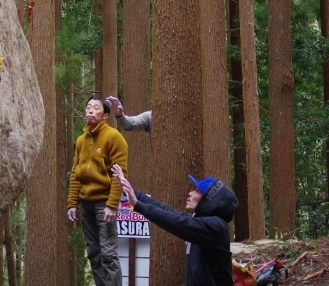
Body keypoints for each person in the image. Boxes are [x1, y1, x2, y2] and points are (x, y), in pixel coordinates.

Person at [111, 163, 239, 286]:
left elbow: (176, 222)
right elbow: (168, 211)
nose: (190, 193)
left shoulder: (216, 227)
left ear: (209, 199)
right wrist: (131, 192)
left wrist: (138, 205)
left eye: (196, 191)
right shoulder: (202, 222)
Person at [67, 94, 128, 286]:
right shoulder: (81, 140)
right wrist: (72, 204)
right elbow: (76, 174)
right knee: (93, 253)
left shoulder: (114, 137)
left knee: (108, 253)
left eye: (96, 108)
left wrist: (112, 204)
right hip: (86, 204)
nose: (90, 111)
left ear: (105, 116)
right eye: (88, 107)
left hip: (104, 203)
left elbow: (120, 175)